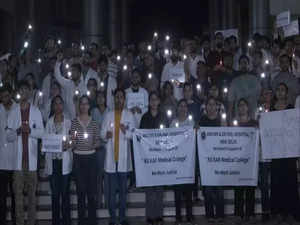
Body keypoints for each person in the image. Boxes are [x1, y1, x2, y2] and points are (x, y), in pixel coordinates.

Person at [6, 80, 44, 225]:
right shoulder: (13, 112)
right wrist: (17, 131)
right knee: (18, 198)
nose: (24, 92)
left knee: (32, 198)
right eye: (21, 90)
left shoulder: (36, 111)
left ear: (29, 92)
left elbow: (42, 133)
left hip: (32, 161)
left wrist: (30, 131)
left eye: (26, 90)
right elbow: (8, 136)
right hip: (18, 163)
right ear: (18, 92)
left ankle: (31, 222)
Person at [101, 88, 136, 225]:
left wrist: (125, 132)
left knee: (122, 193)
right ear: (114, 99)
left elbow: (133, 134)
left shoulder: (129, 115)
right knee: (110, 194)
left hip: (123, 161)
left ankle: (122, 218)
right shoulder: (108, 115)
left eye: (121, 97)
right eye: (117, 97)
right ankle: (112, 218)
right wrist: (105, 135)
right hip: (111, 160)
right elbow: (102, 133)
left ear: (124, 100)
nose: (119, 99)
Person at [270, 83, 300, 223]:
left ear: (286, 93)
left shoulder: (291, 109)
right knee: (277, 181)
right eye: (278, 90)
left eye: (283, 90)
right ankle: (278, 211)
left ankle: (291, 211)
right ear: (275, 93)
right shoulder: (270, 110)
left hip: (289, 151)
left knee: (290, 181)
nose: (280, 92)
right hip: (276, 151)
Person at [70, 95, 101, 225]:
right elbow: (73, 139)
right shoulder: (74, 122)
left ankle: (93, 221)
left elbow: (98, 140)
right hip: (78, 159)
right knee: (81, 192)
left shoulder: (94, 122)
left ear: (89, 106)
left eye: (86, 103)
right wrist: (72, 143)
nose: (83, 106)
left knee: (91, 192)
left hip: (91, 158)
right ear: (79, 106)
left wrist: (94, 145)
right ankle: (81, 221)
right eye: (81, 104)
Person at [140, 91, 169, 225]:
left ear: (159, 102)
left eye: (156, 99)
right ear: (149, 102)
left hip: (160, 157)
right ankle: (150, 216)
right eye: (151, 99)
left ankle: (158, 215)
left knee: (159, 189)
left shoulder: (163, 117)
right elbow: (140, 137)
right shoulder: (144, 117)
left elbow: (168, 136)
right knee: (149, 189)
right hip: (148, 157)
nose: (153, 102)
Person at [44, 95, 72, 225]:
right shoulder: (49, 122)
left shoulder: (68, 122)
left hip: (64, 161)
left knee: (65, 194)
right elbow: (45, 142)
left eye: (60, 103)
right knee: (55, 196)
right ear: (52, 106)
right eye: (55, 104)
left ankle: (66, 221)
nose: (58, 106)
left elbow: (73, 139)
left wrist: (69, 144)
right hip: (53, 162)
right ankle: (55, 222)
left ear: (63, 105)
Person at [199, 96, 225, 224]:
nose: (211, 106)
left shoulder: (221, 120)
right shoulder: (202, 120)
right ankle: (209, 214)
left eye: (213, 104)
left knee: (219, 189)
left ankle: (220, 214)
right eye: (208, 104)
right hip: (206, 161)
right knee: (208, 189)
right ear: (206, 107)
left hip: (219, 160)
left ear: (217, 107)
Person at [170, 99, 194, 225]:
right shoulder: (173, 123)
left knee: (188, 191)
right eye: (181, 106)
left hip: (188, 161)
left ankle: (189, 215)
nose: (183, 108)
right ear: (177, 108)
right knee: (178, 191)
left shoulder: (191, 122)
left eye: (185, 106)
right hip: (177, 161)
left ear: (187, 109)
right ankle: (178, 216)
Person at [233, 98, 257, 224]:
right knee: (238, 188)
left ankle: (250, 213)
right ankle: (238, 213)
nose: (241, 107)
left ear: (248, 108)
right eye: (239, 105)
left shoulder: (254, 123)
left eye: (243, 105)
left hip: (251, 160)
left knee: (250, 187)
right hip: (237, 161)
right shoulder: (234, 123)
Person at [0, 84, 17, 225]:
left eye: (6, 95)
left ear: (11, 95)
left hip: (14, 160)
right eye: (2, 96)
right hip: (1, 160)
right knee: (1, 197)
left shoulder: (17, 109)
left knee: (15, 195)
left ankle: (15, 222)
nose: (4, 98)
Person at [228, 55, 261, 120]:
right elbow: (231, 101)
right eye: (241, 63)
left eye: (245, 63)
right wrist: (229, 117)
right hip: (239, 117)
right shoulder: (234, 81)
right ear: (239, 66)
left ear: (249, 65)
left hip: (253, 116)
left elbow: (260, 97)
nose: (243, 65)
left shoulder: (255, 79)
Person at [55, 55, 87, 119]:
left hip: (81, 119)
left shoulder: (84, 88)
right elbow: (57, 76)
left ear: (79, 73)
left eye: (74, 70)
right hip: (68, 119)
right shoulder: (68, 83)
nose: (72, 72)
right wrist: (58, 62)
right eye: (72, 71)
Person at [91, 91, 109, 208]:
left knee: (107, 176)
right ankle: (97, 201)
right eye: (98, 97)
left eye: (102, 96)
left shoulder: (110, 111)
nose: (100, 99)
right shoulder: (93, 112)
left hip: (108, 147)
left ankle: (108, 201)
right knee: (97, 176)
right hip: (97, 147)